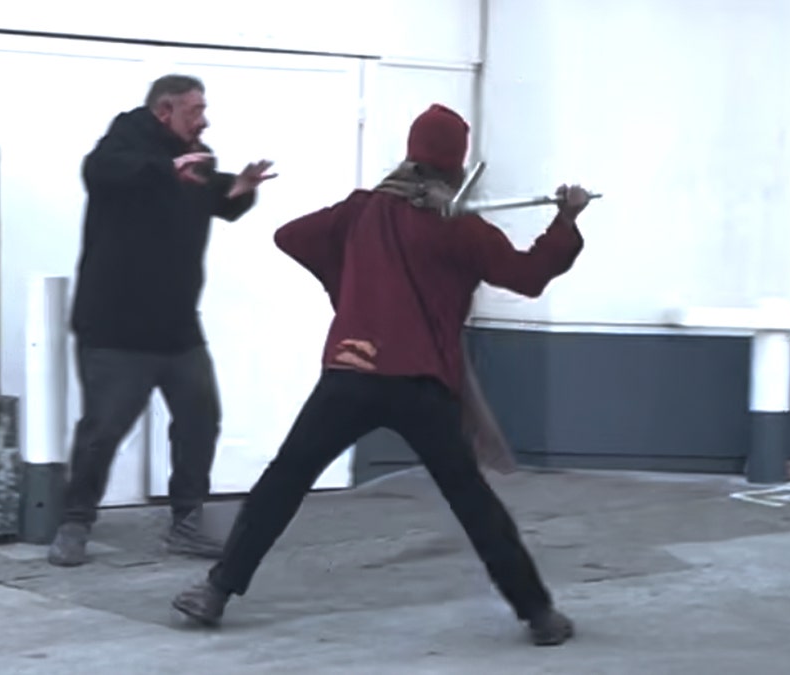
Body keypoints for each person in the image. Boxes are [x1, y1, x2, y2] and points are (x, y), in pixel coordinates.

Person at [171, 103, 590, 646]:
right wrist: (567, 219)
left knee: (284, 479)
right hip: (423, 385)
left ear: (411, 154)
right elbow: (529, 276)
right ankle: (539, 615)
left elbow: (292, 236)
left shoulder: (363, 210)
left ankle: (216, 592)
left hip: (351, 371)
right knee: (472, 501)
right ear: (456, 165)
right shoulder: (461, 227)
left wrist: (351, 288)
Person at [48, 74, 277, 567]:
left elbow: (219, 199)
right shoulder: (121, 147)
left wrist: (240, 189)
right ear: (163, 112)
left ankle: (187, 523)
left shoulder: (197, 158)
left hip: (177, 326)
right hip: (114, 327)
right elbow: (104, 173)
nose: (204, 119)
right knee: (103, 431)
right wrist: (165, 171)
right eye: (195, 111)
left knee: (200, 420)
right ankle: (75, 523)